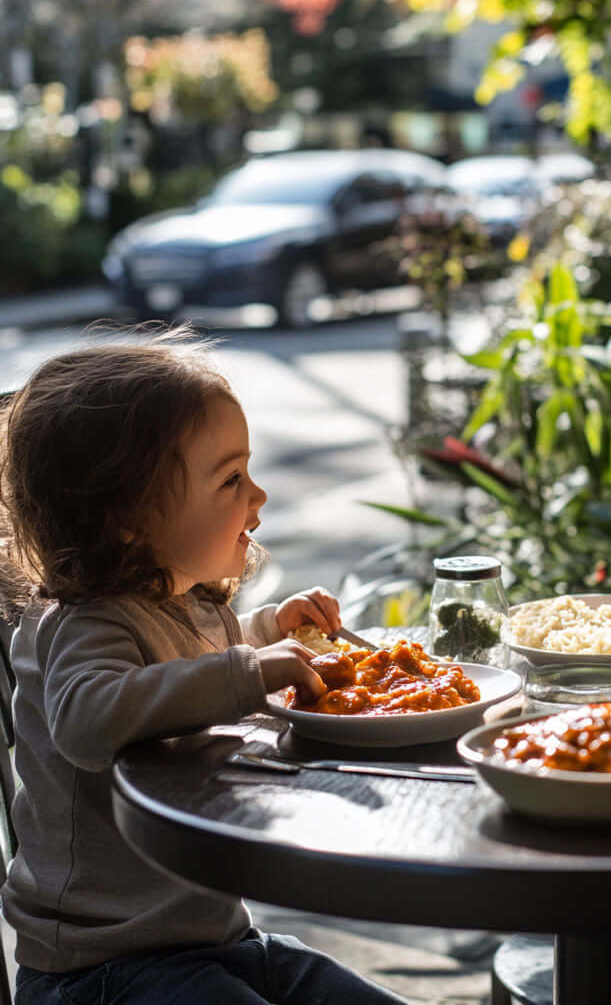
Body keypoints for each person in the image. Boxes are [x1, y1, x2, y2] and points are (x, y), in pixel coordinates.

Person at [0, 330, 406, 1005]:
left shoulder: (178, 600)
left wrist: (269, 629)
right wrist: (250, 668)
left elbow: (186, 665)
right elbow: (88, 717)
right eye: (231, 479)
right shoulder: (83, 621)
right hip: (102, 970)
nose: (260, 496)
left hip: (215, 940)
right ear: (128, 516)